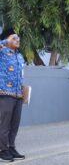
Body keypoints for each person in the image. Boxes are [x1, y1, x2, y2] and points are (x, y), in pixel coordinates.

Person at [0, 28, 25, 162]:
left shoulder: (19, 56)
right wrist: (5, 41)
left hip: (18, 94)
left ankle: (11, 147)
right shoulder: (2, 52)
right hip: (5, 93)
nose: (17, 40)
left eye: (18, 38)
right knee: (4, 124)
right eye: (14, 38)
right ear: (8, 39)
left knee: (14, 124)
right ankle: (2, 150)